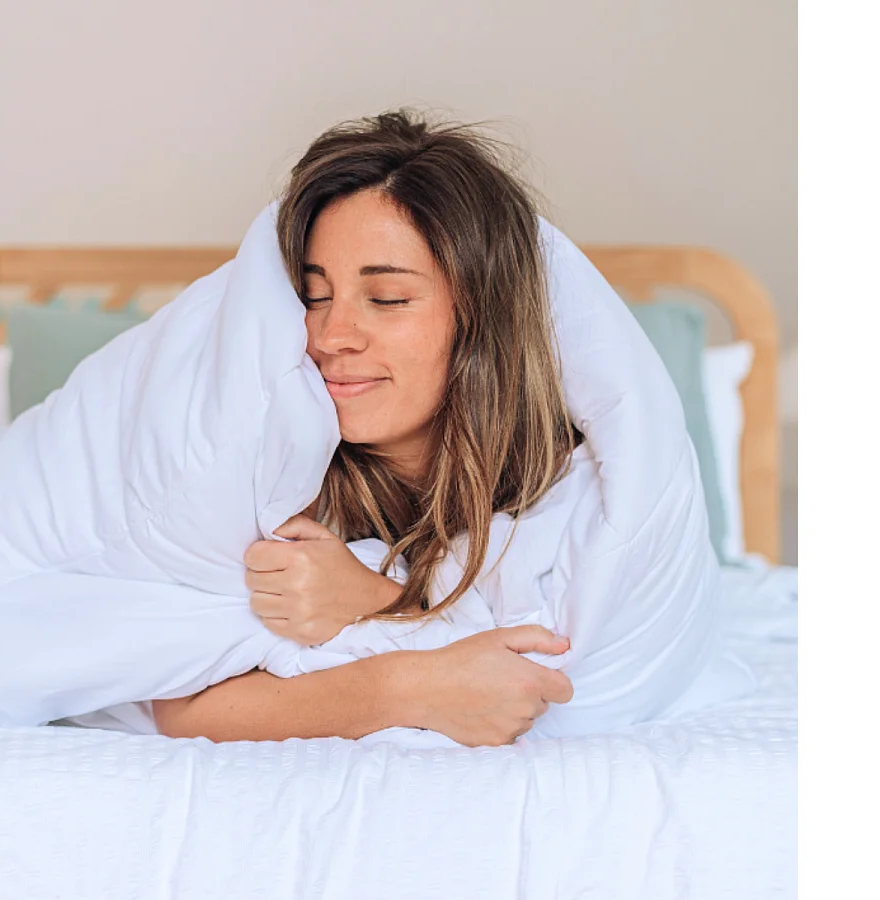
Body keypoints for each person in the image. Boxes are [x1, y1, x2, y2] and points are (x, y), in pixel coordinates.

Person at [153, 110, 580, 747]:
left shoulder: (572, 487)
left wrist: (374, 601)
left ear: (481, 317)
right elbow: (183, 709)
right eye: (313, 296)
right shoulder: (267, 470)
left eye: (387, 299)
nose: (331, 336)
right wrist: (410, 685)